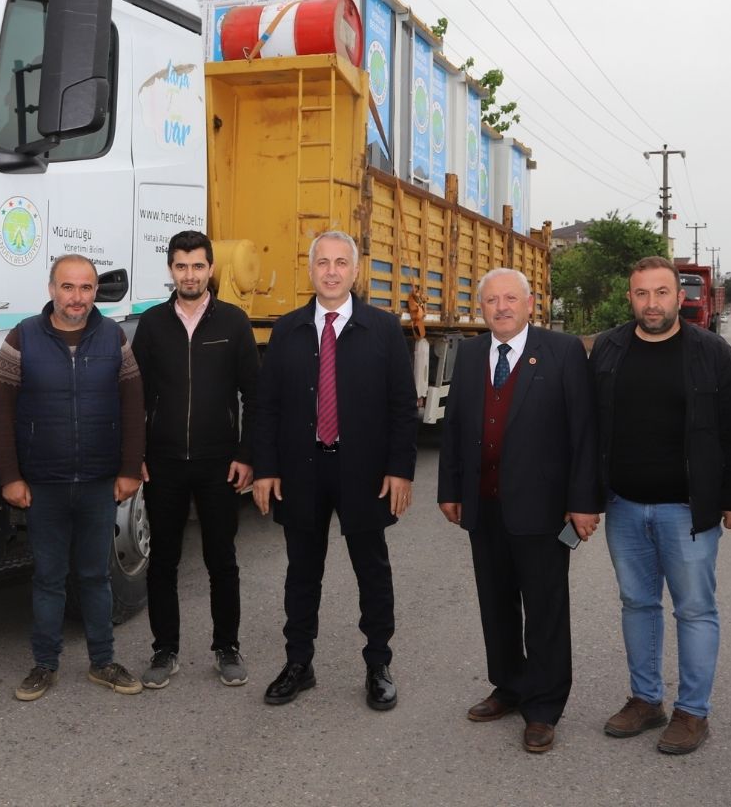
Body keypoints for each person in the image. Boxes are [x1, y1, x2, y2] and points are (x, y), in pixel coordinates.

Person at [252, 230, 418, 711]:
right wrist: (266, 468)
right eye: (322, 262)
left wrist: (400, 469)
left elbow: (402, 407)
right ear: (310, 270)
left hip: (364, 472)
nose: (331, 271)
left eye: (340, 262)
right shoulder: (287, 330)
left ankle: (378, 664)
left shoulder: (383, 329)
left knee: (373, 571)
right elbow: (268, 407)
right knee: (302, 573)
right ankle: (298, 664)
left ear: (356, 270)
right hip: (302, 471)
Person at [438, 268, 600, 754]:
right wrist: (450, 487)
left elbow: (584, 431)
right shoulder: (469, 354)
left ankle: (544, 707)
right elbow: (454, 426)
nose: (502, 307)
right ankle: (508, 686)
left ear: (531, 304)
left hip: (544, 508)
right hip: (483, 504)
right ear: (481, 307)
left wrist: (583, 502)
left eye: (511, 299)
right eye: (492, 300)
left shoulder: (563, 351)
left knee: (545, 609)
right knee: (496, 602)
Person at [588, 256, 731, 755]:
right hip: (626, 507)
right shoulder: (609, 348)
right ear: (629, 298)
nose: (651, 303)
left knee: (695, 610)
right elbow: (589, 429)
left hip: (687, 509)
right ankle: (646, 699)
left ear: (680, 297)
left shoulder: (711, 352)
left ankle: (693, 712)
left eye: (660, 293)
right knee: (638, 604)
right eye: (641, 294)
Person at [0, 254, 144, 701]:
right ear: (52, 289)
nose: (77, 298)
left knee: (95, 577)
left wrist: (131, 469)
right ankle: (44, 664)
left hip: (98, 482)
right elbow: (0, 411)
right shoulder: (22, 339)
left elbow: (134, 407)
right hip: (44, 485)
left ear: (96, 292)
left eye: (86, 288)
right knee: (49, 579)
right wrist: (10, 476)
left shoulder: (114, 338)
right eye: (68, 287)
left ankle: (103, 661)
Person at [131, 231, 259, 689]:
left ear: (210, 269)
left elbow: (255, 395)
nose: (190, 275)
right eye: (181, 266)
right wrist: (136, 456)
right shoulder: (151, 325)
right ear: (171, 270)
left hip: (219, 463)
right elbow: (134, 397)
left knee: (221, 559)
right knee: (163, 560)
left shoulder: (234, 323)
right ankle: (164, 650)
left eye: (198, 266)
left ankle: (228, 647)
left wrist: (247, 455)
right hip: (162, 464)